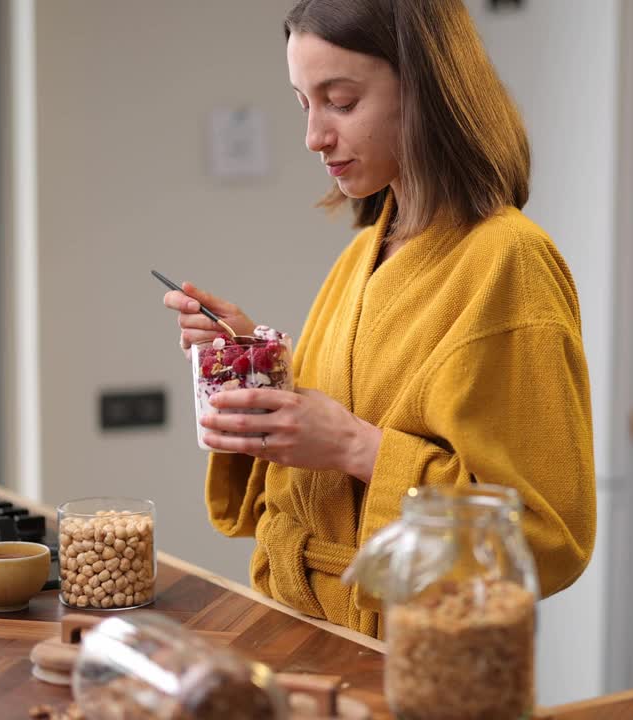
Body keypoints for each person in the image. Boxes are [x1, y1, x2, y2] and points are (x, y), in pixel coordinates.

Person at [163, 0, 595, 637]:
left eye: (340, 101)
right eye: (303, 104)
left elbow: (546, 533)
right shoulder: (364, 254)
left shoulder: (510, 262)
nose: (315, 136)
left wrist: (356, 447)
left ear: (425, 90)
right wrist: (254, 367)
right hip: (302, 629)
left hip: (421, 665)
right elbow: (321, 473)